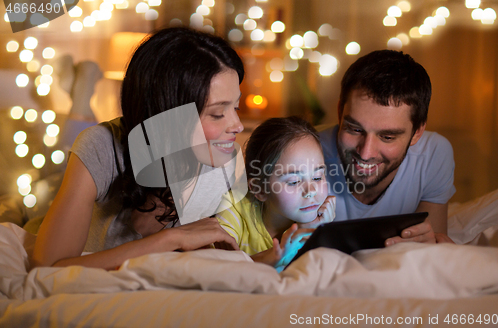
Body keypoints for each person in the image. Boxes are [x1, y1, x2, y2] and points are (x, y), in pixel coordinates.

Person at [32, 27, 246, 270]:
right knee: (52, 176)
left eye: (236, 108)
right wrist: (172, 238)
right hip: (69, 186)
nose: (237, 125)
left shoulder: (219, 163)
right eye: (218, 113)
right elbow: (48, 270)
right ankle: (81, 95)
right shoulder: (103, 147)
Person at [319, 50, 455, 245]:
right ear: (340, 112)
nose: (365, 153)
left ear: (417, 132)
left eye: (387, 137)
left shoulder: (433, 154)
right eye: (355, 129)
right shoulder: (302, 153)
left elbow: (434, 246)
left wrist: (432, 245)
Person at [217, 117, 336, 269]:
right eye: (294, 181)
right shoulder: (233, 208)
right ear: (259, 189)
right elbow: (215, 268)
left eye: (318, 177)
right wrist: (278, 252)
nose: (311, 191)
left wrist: (317, 233)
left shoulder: (320, 217)